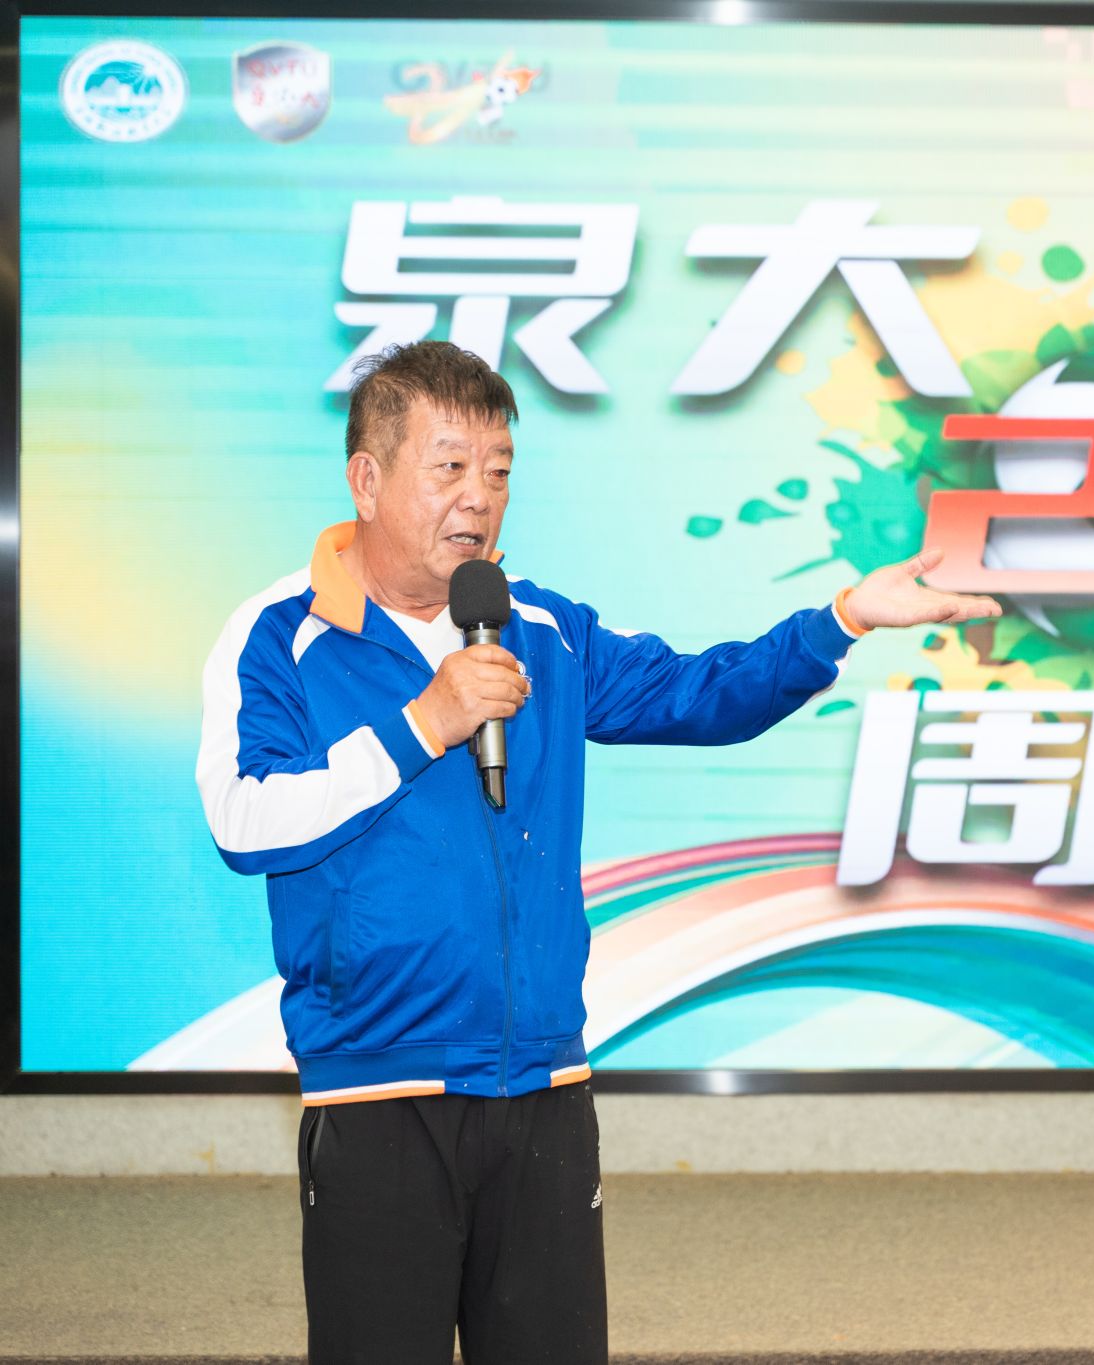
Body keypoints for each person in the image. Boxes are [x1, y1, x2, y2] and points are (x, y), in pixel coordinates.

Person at [195, 340, 999, 1365]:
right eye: (449, 467)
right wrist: (422, 724)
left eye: (498, 470)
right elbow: (244, 820)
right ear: (367, 477)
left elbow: (701, 695)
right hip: (378, 1087)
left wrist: (838, 622)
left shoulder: (537, 626)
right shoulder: (277, 636)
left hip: (545, 1082)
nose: (479, 497)